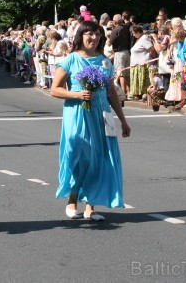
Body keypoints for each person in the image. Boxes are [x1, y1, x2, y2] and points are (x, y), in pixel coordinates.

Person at [50, 20, 130, 221]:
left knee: (100, 158)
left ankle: (91, 206)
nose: (93, 38)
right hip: (77, 114)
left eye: (97, 34)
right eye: (89, 34)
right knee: (80, 156)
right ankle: (73, 197)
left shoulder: (104, 61)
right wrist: (78, 95)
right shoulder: (71, 59)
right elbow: (55, 89)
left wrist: (123, 120)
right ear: (80, 36)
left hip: (101, 115)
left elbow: (111, 92)